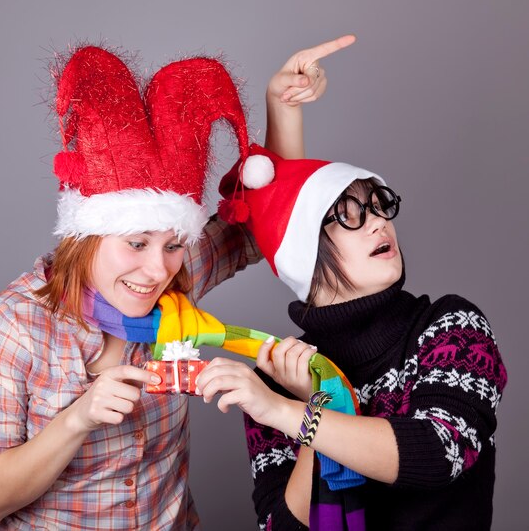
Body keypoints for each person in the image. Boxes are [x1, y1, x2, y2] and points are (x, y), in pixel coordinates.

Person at [196, 39, 508, 530]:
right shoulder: (277, 377)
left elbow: (439, 450)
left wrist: (294, 415)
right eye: (349, 215)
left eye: (380, 204)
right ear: (306, 249)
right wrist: (311, 401)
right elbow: (283, 526)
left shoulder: (449, 326)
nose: (380, 223)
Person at [0, 45, 266, 530]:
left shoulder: (176, 279)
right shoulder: (13, 325)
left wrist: (284, 107)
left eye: (172, 244)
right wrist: (77, 418)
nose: (155, 270)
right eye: (137, 242)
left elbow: (263, 221)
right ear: (88, 236)